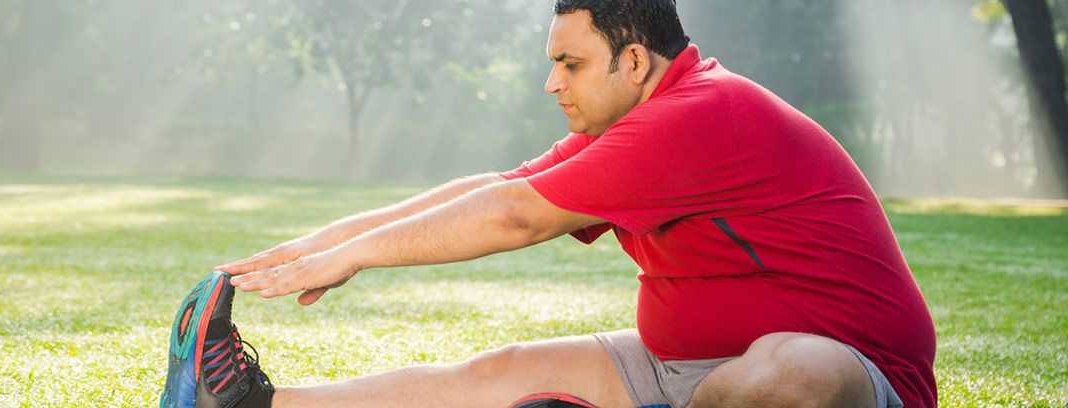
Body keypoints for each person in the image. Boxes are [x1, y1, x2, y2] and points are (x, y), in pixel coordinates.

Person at [161, 1, 937, 407]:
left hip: (855, 384)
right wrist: (322, 241)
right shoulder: (640, 118)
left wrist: (355, 257)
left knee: (792, 371)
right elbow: (498, 189)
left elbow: (517, 219)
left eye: (570, 62)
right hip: (693, 372)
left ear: (634, 60)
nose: (552, 82)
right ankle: (249, 407)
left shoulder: (705, 113)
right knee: (501, 371)